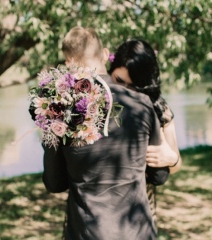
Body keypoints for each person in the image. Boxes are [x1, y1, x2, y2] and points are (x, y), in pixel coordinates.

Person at [40, 27, 172, 240]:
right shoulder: (142, 104)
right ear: (104, 54)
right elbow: (160, 175)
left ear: (69, 64)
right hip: (137, 232)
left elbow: (54, 183)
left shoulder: (59, 110)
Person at [108, 39, 182, 222]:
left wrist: (171, 158)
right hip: (98, 210)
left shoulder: (160, 110)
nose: (124, 92)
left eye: (133, 87)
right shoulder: (95, 105)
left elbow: (176, 164)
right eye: (119, 81)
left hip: (139, 213)